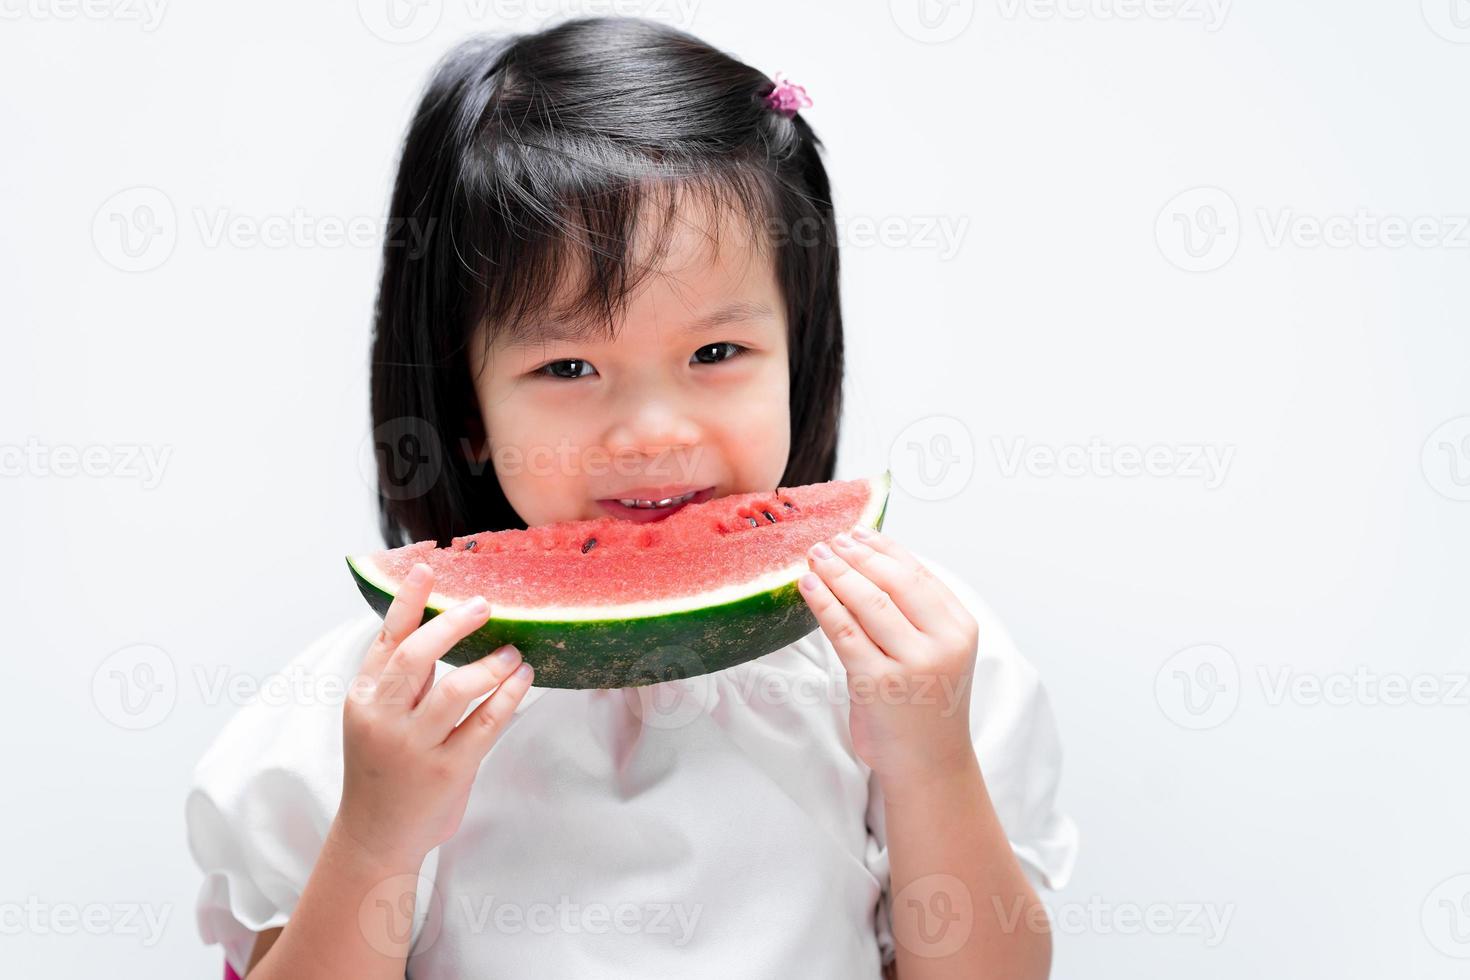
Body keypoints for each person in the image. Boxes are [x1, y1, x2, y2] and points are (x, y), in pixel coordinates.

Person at [184, 16, 1077, 979]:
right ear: (466, 405)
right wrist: (375, 837)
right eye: (568, 364)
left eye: (715, 354)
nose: (653, 432)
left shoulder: (912, 648)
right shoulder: (371, 704)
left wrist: (932, 760)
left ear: (799, 356)